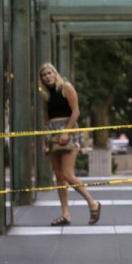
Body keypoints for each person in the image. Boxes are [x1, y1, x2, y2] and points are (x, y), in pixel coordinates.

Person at [38, 62, 102, 226]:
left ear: (55, 73)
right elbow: (46, 120)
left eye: (49, 73)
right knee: (58, 175)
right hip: (52, 135)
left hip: (68, 132)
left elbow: (76, 112)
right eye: (44, 75)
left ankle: (92, 203)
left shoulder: (66, 87)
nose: (47, 77)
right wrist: (44, 142)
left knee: (67, 174)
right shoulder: (45, 95)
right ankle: (65, 214)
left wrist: (66, 131)